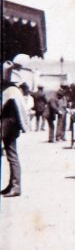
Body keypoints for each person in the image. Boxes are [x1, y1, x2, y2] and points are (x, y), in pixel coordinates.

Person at [1, 63, 31, 197]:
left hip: (9, 125)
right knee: (10, 154)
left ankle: (16, 185)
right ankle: (12, 184)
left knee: (12, 155)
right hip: (10, 125)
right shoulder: (15, 91)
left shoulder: (10, 91)